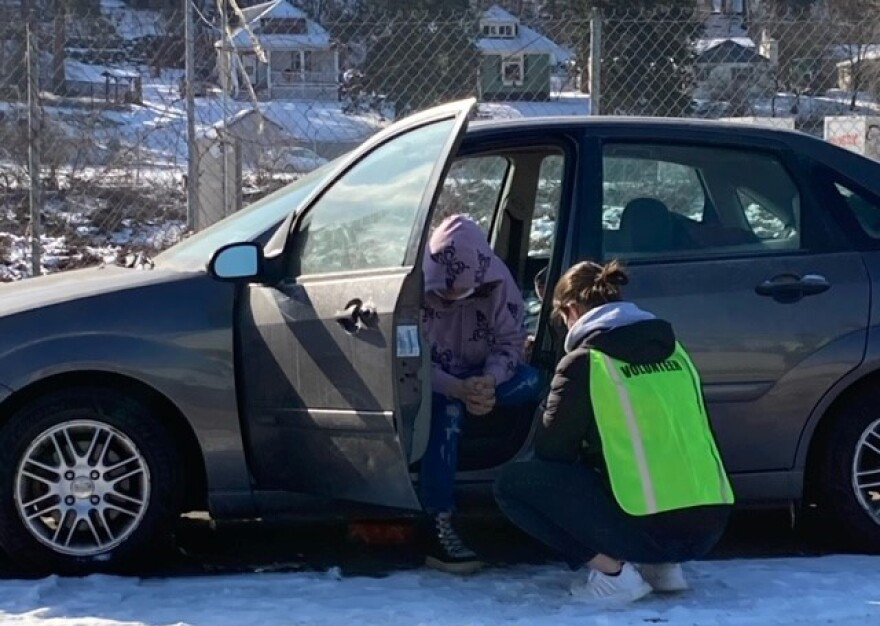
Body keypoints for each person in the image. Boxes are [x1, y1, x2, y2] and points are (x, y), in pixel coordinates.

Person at [494, 260, 734, 603]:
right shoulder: (675, 351)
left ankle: (614, 574)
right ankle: (662, 568)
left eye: (561, 318)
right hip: (709, 525)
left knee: (514, 485)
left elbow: (552, 452)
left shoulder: (585, 362)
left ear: (572, 309)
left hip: (649, 527)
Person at [421, 215, 540, 574]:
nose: (451, 298)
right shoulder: (416, 286)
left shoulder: (498, 282)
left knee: (537, 382)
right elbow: (406, 358)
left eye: (460, 290)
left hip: (486, 376)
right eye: (444, 291)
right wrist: (453, 387)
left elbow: (510, 342)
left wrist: (489, 381)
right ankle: (437, 522)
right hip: (438, 380)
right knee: (447, 416)